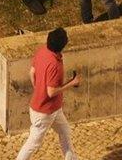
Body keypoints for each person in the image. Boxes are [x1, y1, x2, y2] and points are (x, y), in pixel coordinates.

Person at [16, 28, 80, 160]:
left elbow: (31, 73)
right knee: (33, 144)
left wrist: (38, 89)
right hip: (45, 112)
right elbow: (51, 92)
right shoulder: (55, 65)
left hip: (51, 109)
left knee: (65, 132)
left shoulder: (42, 51)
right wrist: (72, 83)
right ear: (62, 45)